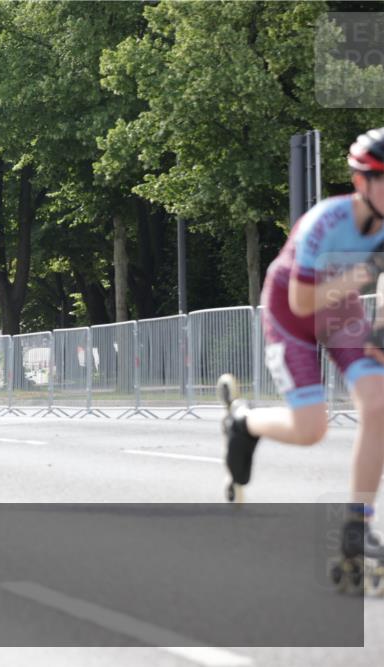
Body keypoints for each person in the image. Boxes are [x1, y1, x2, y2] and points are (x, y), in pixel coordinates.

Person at [221, 128, 384, 589]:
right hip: (291, 307)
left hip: (343, 308)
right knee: (312, 429)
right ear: (363, 183)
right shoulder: (324, 223)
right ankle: (244, 421)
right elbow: (303, 301)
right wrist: (366, 271)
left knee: (378, 402)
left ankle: (357, 527)